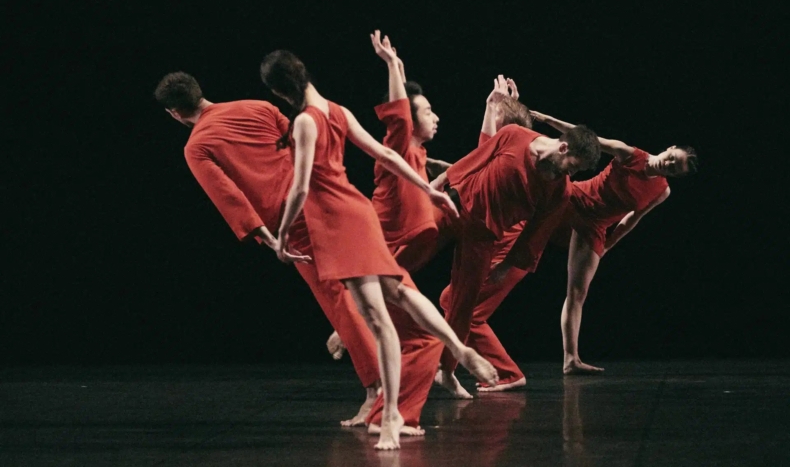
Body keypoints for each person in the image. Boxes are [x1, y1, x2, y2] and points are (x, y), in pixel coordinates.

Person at [259, 47, 498, 449]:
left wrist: (281, 237)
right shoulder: (338, 111)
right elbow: (386, 152)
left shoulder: (304, 122)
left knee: (379, 319)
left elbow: (300, 188)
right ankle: (457, 347)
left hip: (336, 225)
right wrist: (428, 189)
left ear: (280, 92)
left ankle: (389, 419)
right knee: (398, 291)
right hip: (360, 212)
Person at [153, 72, 381, 424]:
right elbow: (303, 140)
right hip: (326, 195)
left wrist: (274, 239)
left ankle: (376, 391)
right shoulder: (258, 106)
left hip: (293, 220)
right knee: (366, 285)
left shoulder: (196, 145)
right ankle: (398, 364)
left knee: (336, 297)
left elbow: (230, 198)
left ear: (174, 113)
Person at [429, 97, 601, 397]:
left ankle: (446, 370)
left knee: (461, 305)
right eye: (574, 167)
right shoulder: (515, 136)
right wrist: (438, 183)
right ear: (563, 147)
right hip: (457, 205)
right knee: (409, 240)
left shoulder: (559, 191)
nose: (572, 175)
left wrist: (506, 267)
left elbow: (535, 235)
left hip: (485, 235)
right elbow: (478, 156)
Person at [531, 111, 698, 375]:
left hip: (596, 227)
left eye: (674, 169)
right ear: (669, 148)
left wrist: (608, 244)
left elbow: (633, 219)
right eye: (671, 159)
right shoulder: (629, 153)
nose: (668, 165)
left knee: (577, 292)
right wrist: (545, 120)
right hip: (578, 199)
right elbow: (584, 137)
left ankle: (570, 359)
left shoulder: (662, 191)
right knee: (534, 200)